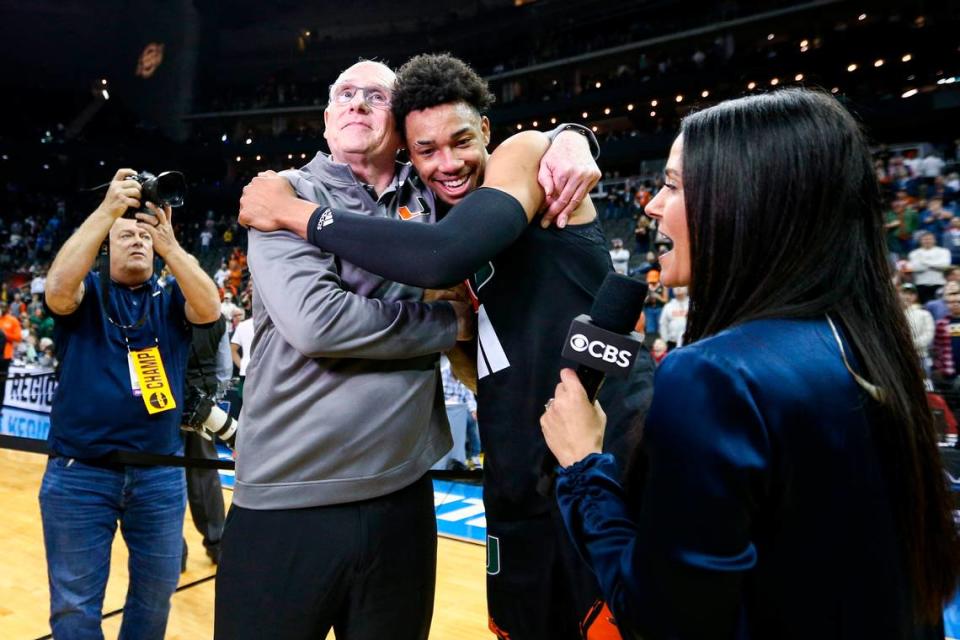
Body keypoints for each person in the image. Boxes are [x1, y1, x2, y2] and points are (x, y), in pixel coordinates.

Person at [239, 53, 653, 640]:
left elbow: (442, 255)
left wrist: (293, 212)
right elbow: (471, 336)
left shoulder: (524, 156)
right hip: (518, 470)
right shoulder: (434, 212)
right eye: (427, 151)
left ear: (486, 130)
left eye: (461, 141)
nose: (449, 163)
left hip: (599, 447)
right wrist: (462, 344)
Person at [539, 89, 959, 639]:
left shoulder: (713, 376)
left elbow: (665, 618)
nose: (650, 205)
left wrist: (582, 468)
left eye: (671, 185)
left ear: (741, 202)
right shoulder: (867, 340)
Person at [215, 59, 490, 640]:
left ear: (405, 119)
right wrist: (447, 322)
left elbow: (497, 151)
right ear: (326, 119)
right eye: (344, 94)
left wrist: (569, 138)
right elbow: (319, 323)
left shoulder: (436, 190)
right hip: (289, 496)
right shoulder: (282, 194)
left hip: (403, 496)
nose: (357, 103)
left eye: (375, 96)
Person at [40, 169, 220, 639]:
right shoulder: (88, 292)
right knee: (75, 607)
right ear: (106, 244)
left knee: (154, 596)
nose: (138, 240)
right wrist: (106, 212)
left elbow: (210, 309)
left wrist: (172, 247)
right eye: (127, 234)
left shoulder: (168, 296)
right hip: (81, 474)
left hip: (159, 476)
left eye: (145, 234)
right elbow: (57, 290)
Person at [909, 231, 952, 303]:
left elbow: (944, 265)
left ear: (935, 240)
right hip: (921, 284)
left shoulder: (944, 251)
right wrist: (935, 264)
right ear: (920, 241)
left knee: (940, 305)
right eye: (925, 239)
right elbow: (916, 268)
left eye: (930, 239)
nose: (927, 241)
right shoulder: (914, 253)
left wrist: (924, 262)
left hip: (939, 283)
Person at [657, 285, 688, 350]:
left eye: (681, 285)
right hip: (672, 343)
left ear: (687, 287)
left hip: (690, 342)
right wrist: (665, 341)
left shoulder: (692, 304)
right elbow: (663, 324)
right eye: (675, 286)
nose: (678, 287)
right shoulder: (668, 306)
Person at [0, 300, 22, 382]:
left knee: (2, 382)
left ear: (8, 308)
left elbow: (18, 337)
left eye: (3, 307)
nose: (1, 309)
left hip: (5, 355)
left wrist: (4, 334)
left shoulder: (13, 320)